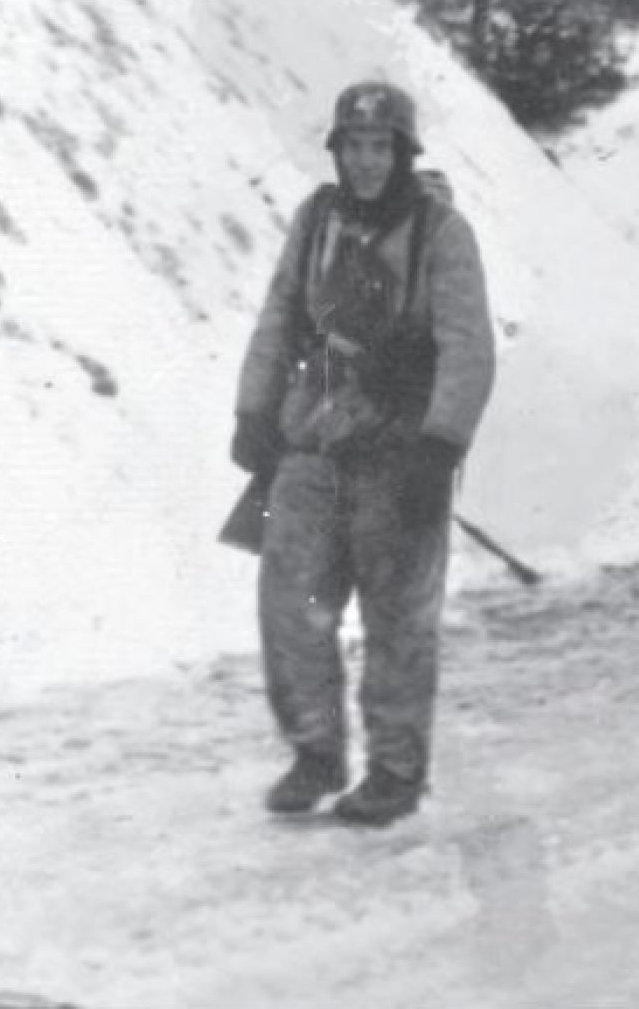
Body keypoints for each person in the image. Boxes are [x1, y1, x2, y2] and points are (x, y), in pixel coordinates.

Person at [231, 81, 496, 826]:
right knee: (290, 603)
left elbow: (467, 348)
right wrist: (254, 408)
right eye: (355, 145)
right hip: (313, 437)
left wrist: (439, 446)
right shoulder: (317, 221)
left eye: (382, 147)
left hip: (400, 451)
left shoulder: (441, 234)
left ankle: (395, 770)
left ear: (403, 152)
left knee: (397, 618)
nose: (368, 160)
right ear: (338, 151)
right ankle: (315, 751)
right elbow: (280, 314)